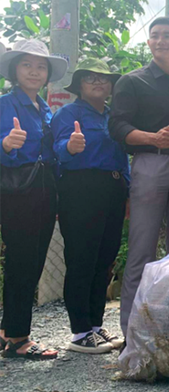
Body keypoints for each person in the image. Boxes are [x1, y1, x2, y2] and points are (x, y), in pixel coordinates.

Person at [109, 17, 169, 338]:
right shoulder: (132, 82)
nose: (161, 41)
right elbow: (117, 127)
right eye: (155, 36)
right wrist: (150, 137)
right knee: (141, 249)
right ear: (149, 43)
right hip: (149, 164)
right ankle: (132, 333)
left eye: (168, 36)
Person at [51, 59, 128, 354]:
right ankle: (79, 331)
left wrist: (128, 189)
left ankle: (96, 325)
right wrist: (70, 147)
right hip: (81, 187)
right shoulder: (68, 114)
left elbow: (122, 157)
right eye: (91, 78)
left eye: (104, 79)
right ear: (80, 85)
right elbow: (57, 150)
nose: (98, 83)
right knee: (82, 257)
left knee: (105, 257)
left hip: (113, 187)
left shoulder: (113, 116)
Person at [0, 39, 68, 360]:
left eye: (41, 66)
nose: (34, 71)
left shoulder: (46, 109)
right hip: (17, 189)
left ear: (47, 74)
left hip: (44, 187)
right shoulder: (4, 104)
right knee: (22, 260)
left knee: (33, 260)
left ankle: (7, 329)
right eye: (27, 64)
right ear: (15, 69)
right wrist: (5, 145)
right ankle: (18, 338)